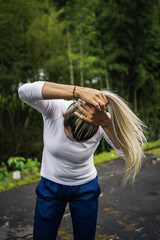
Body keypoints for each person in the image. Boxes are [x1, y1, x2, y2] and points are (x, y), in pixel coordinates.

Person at [18, 81, 146, 240]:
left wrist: (106, 123)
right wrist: (77, 91)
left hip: (85, 189)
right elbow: (23, 91)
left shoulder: (100, 123)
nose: (74, 143)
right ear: (64, 116)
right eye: (69, 135)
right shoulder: (55, 108)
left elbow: (130, 155)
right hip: (50, 187)